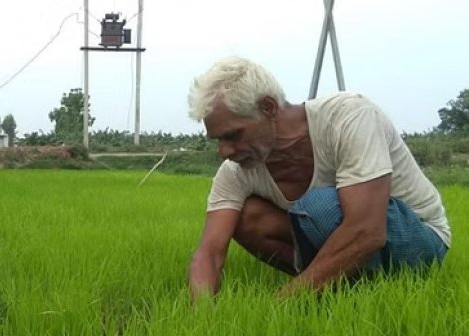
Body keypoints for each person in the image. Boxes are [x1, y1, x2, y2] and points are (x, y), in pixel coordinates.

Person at [186, 56, 450, 301]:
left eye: (232, 135)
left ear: (268, 107)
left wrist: (282, 304)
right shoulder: (236, 171)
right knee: (246, 217)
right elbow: (209, 253)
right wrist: (202, 317)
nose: (224, 152)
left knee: (318, 207)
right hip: (359, 241)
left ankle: (323, 290)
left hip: (420, 237)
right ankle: (343, 291)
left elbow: (367, 231)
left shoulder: (349, 116)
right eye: (218, 140)